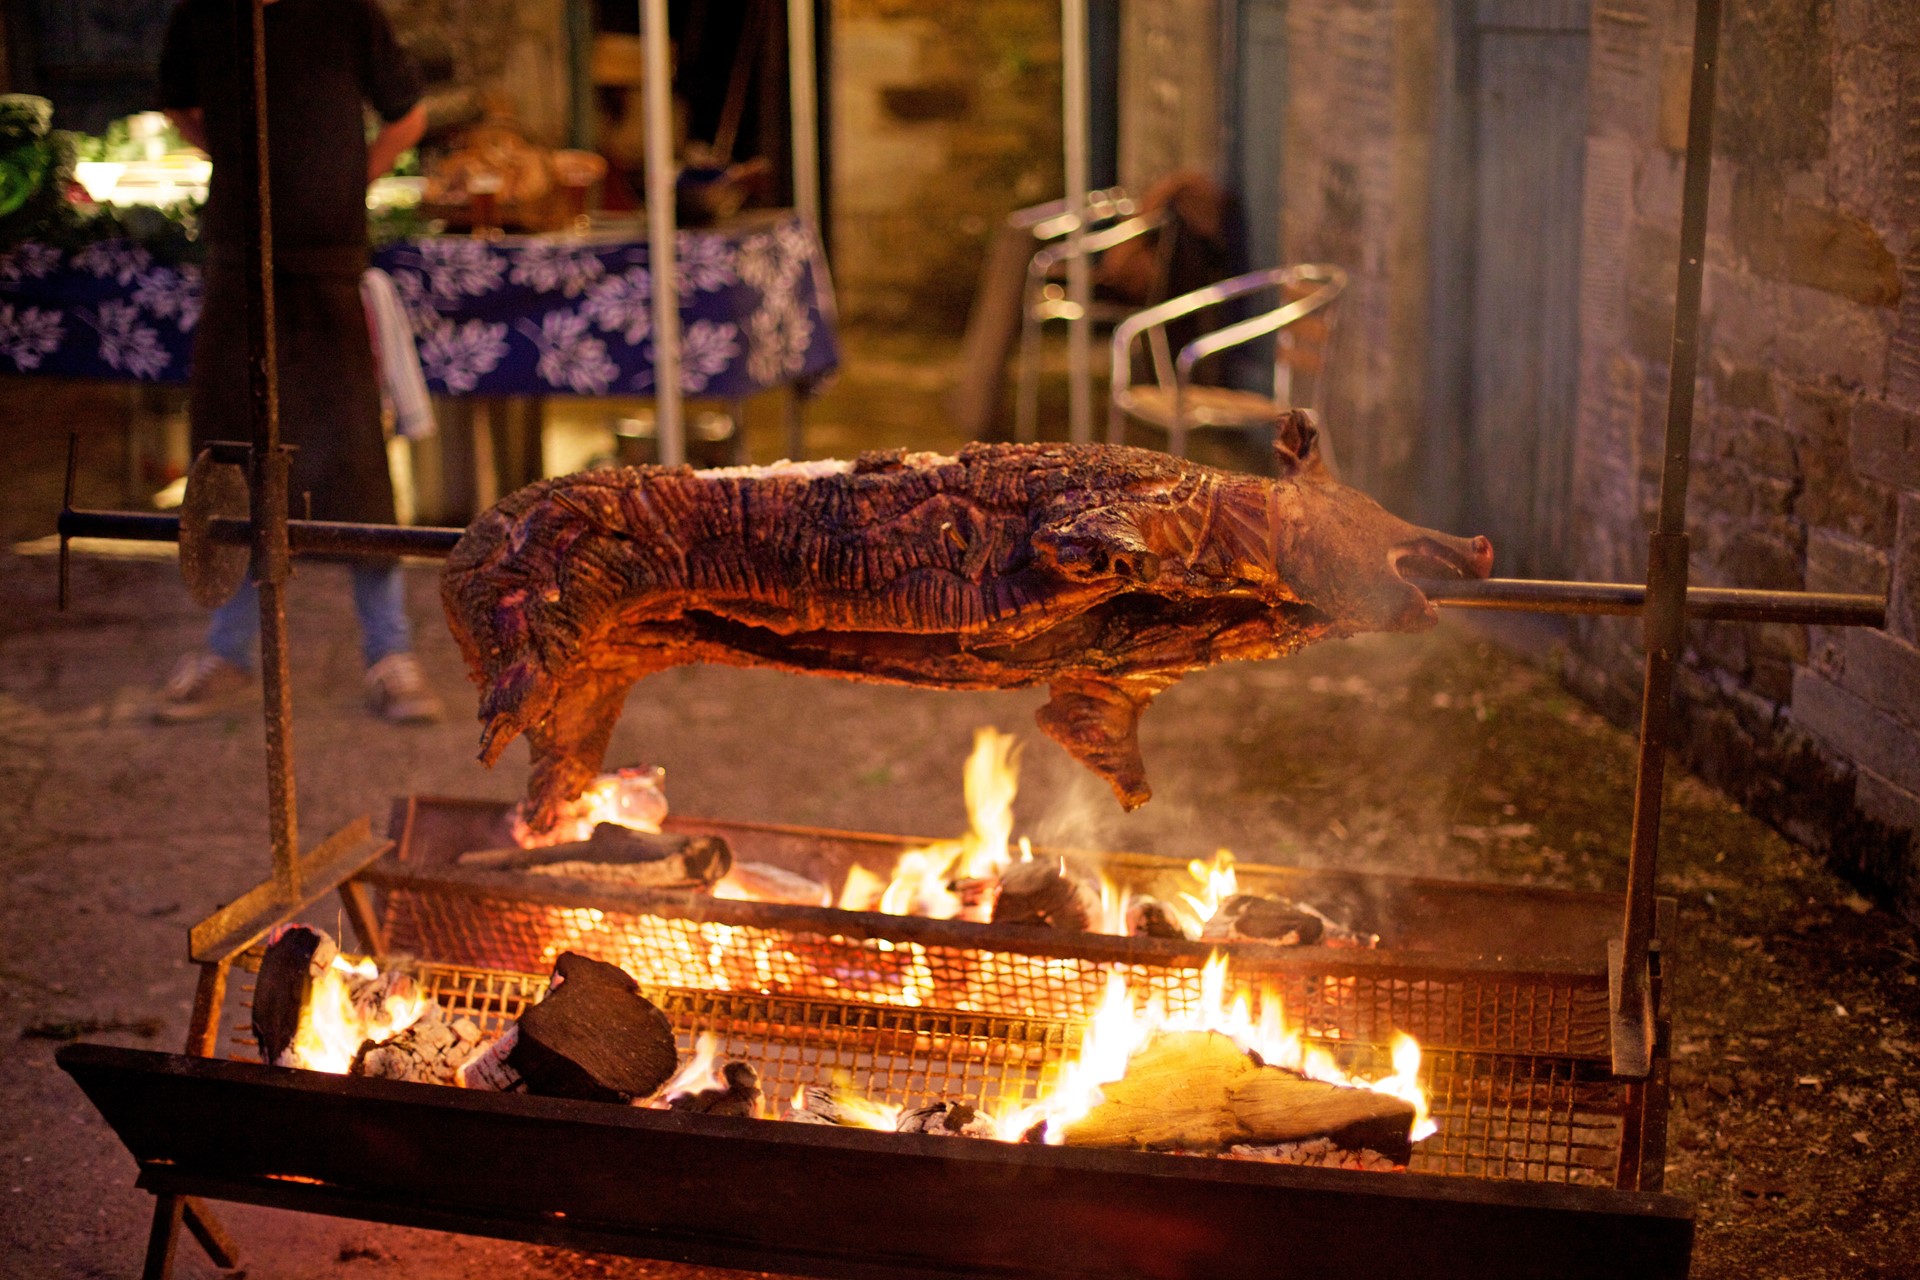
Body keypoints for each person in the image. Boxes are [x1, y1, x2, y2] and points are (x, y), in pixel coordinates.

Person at [153, 0, 442, 724]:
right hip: (237, 260)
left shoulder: (346, 12)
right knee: (230, 462)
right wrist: (234, 153)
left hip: (328, 260)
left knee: (355, 465)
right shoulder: (205, 12)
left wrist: (351, 177)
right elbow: (180, 104)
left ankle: (391, 655)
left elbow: (408, 115)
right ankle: (227, 652)